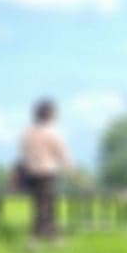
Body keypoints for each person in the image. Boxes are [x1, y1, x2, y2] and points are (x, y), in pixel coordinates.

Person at [17, 98, 76, 244]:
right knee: (46, 207)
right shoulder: (52, 132)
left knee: (41, 206)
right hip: (46, 173)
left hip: (31, 173)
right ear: (49, 114)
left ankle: (52, 237)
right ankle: (34, 239)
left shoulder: (28, 132)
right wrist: (71, 170)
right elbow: (62, 153)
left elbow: (23, 151)